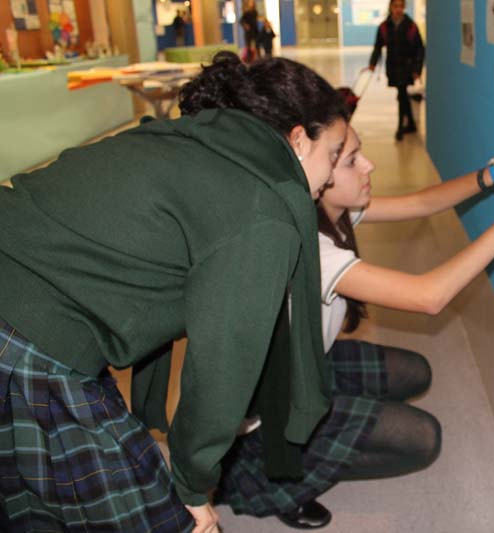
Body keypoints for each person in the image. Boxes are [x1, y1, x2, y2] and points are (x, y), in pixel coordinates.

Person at [0, 52, 349, 533]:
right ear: (297, 140)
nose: (332, 175)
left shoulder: (190, 140)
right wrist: (192, 483)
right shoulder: (262, 210)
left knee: (32, 495)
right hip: (29, 337)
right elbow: (222, 364)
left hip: (31, 301)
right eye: (333, 154)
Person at [215, 128, 494, 528]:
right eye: (350, 160)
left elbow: (423, 202)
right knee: (422, 439)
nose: (369, 164)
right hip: (273, 415)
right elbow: (429, 296)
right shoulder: (308, 247)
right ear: (318, 178)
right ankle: (271, 480)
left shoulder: (327, 211)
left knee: (416, 372)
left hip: (308, 366)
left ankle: (323, 424)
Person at [369, 0, 425, 141]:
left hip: (407, 67)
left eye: (401, 6)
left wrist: (417, 69)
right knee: (402, 94)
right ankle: (411, 123)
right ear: (391, 7)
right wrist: (372, 63)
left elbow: (419, 49)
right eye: (395, 6)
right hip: (393, 67)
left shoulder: (410, 26)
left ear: (404, 8)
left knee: (401, 94)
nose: (398, 9)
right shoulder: (384, 27)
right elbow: (378, 46)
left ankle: (400, 127)